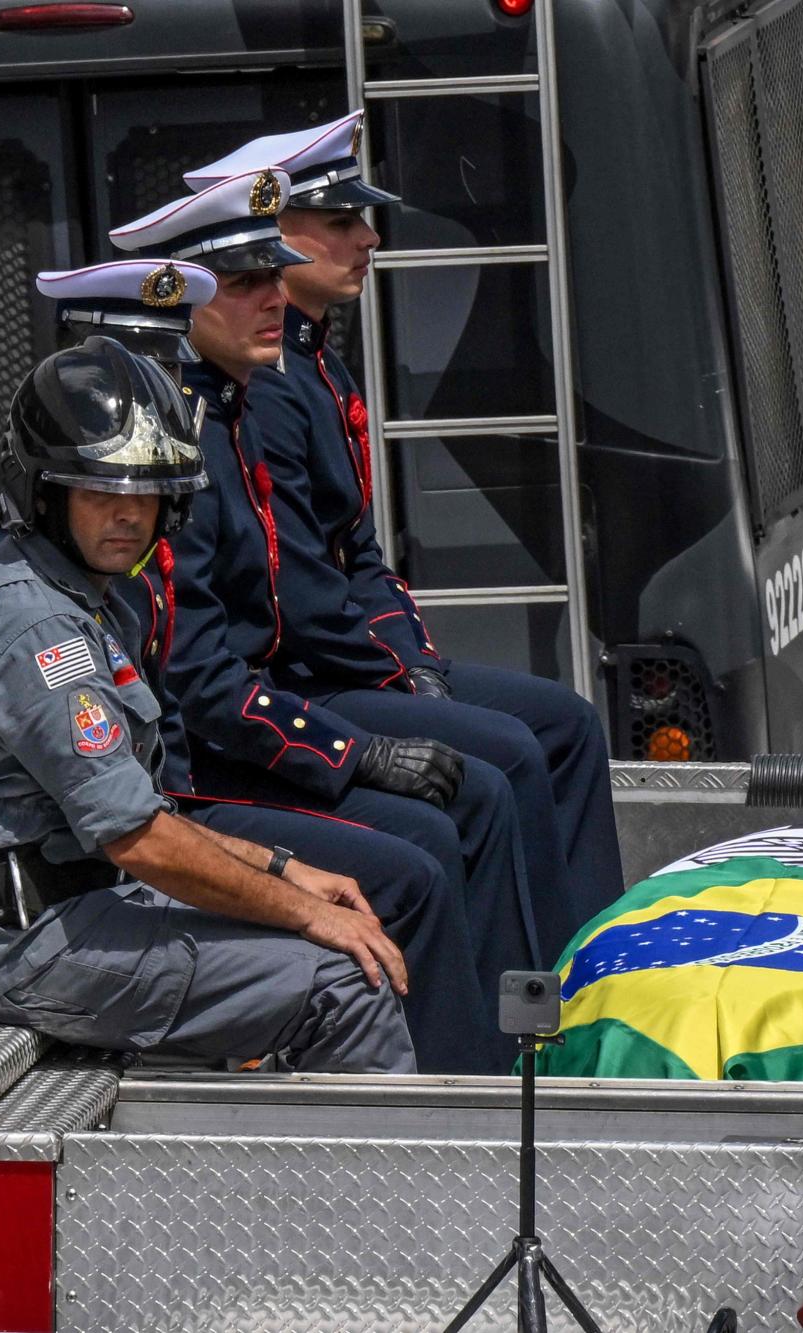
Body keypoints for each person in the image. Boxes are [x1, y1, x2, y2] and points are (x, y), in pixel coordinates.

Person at [0, 338, 427, 1071]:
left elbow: (142, 821)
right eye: (100, 493)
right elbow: (138, 839)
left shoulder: (82, 600)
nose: (127, 515)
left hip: (67, 908)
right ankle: (381, 1187)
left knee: (335, 925)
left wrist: (286, 871)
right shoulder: (41, 625)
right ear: (44, 496)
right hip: (18, 942)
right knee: (346, 981)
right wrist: (300, 906)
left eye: (144, 493)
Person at [181, 115, 623, 954]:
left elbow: (360, 554)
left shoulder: (310, 361)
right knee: (503, 762)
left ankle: (583, 962)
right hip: (302, 678)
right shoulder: (258, 393)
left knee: (564, 724)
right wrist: (401, 676)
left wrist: (414, 665)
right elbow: (300, 600)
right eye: (341, 223)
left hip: (344, 661)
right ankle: (531, 1004)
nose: (370, 238)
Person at [109, 167, 543, 1015]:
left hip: (249, 726)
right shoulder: (175, 450)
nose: (275, 298)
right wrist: (353, 750)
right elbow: (199, 677)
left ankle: (528, 1039)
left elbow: (347, 557)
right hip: (192, 773)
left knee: (490, 776)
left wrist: (405, 669)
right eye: (245, 284)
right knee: (432, 836)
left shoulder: (229, 413)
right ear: (177, 305)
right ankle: (474, 1085)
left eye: (276, 275)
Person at [0, 258, 219, 623]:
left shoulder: (161, 496)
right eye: (132, 372)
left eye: (168, 370)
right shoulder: (1, 530)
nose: (153, 395)